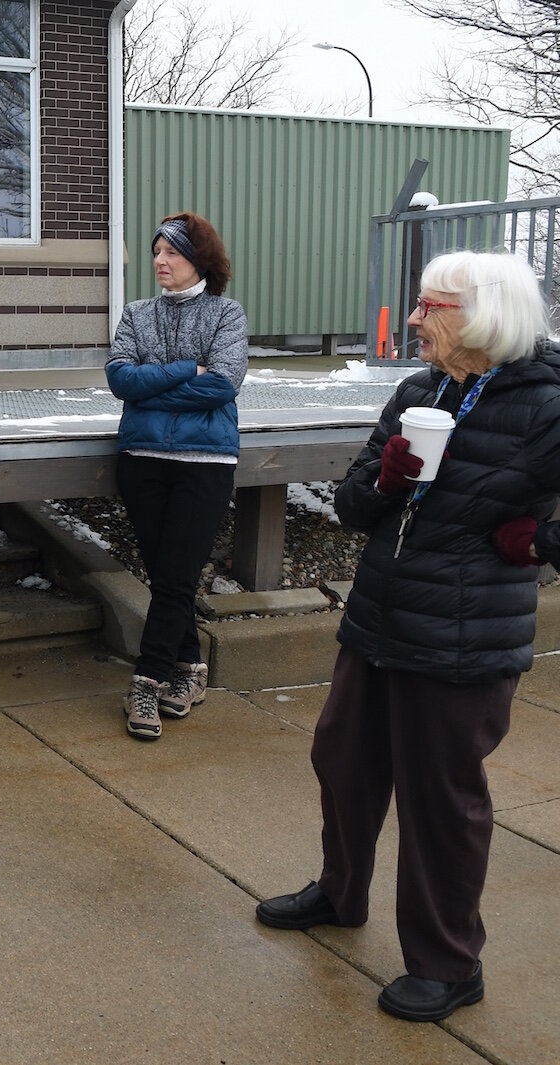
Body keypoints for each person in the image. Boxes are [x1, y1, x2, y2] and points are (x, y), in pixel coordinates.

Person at [256, 250, 559, 1022]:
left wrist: (542, 539)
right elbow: (354, 505)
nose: (415, 318)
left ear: (486, 315)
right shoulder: (420, 390)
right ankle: (341, 889)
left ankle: (448, 963)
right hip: (381, 618)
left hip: (464, 637)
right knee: (343, 759)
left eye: (432, 306)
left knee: (440, 801)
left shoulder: (547, 403)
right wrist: (387, 480)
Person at [105, 212, 248, 740]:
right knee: (168, 577)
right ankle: (190, 668)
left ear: (200, 260)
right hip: (141, 461)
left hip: (205, 463)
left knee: (176, 576)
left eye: (173, 252)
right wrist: (190, 369)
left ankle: (147, 679)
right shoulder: (137, 314)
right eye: (157, 251)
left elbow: (224, 385)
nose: (160, 261)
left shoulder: (226, 314)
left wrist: (153, 387)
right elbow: (121, 378)